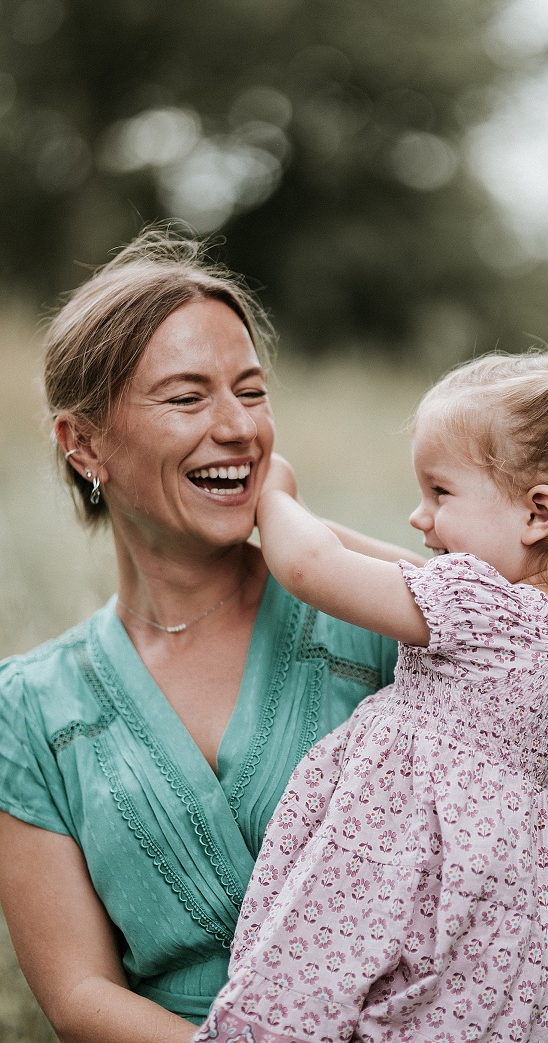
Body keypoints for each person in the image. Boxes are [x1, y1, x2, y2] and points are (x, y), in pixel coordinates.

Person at [0, 229, 424, 1042]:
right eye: (187, 398)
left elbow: (505, 642)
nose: (238, 428)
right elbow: (79, 993)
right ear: (82, 443)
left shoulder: (376, 627)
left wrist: (299, 531)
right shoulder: (30, 711)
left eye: (252, 392)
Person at [193, 350, 548, 1043]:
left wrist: (272, 492)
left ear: (539, 512)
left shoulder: (483, 608)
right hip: (483, 889)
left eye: (440, 493)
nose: (419, 516)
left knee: (322, 994)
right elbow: (396, 567)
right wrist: (296, 516)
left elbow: (309, 567)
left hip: (402, 855)